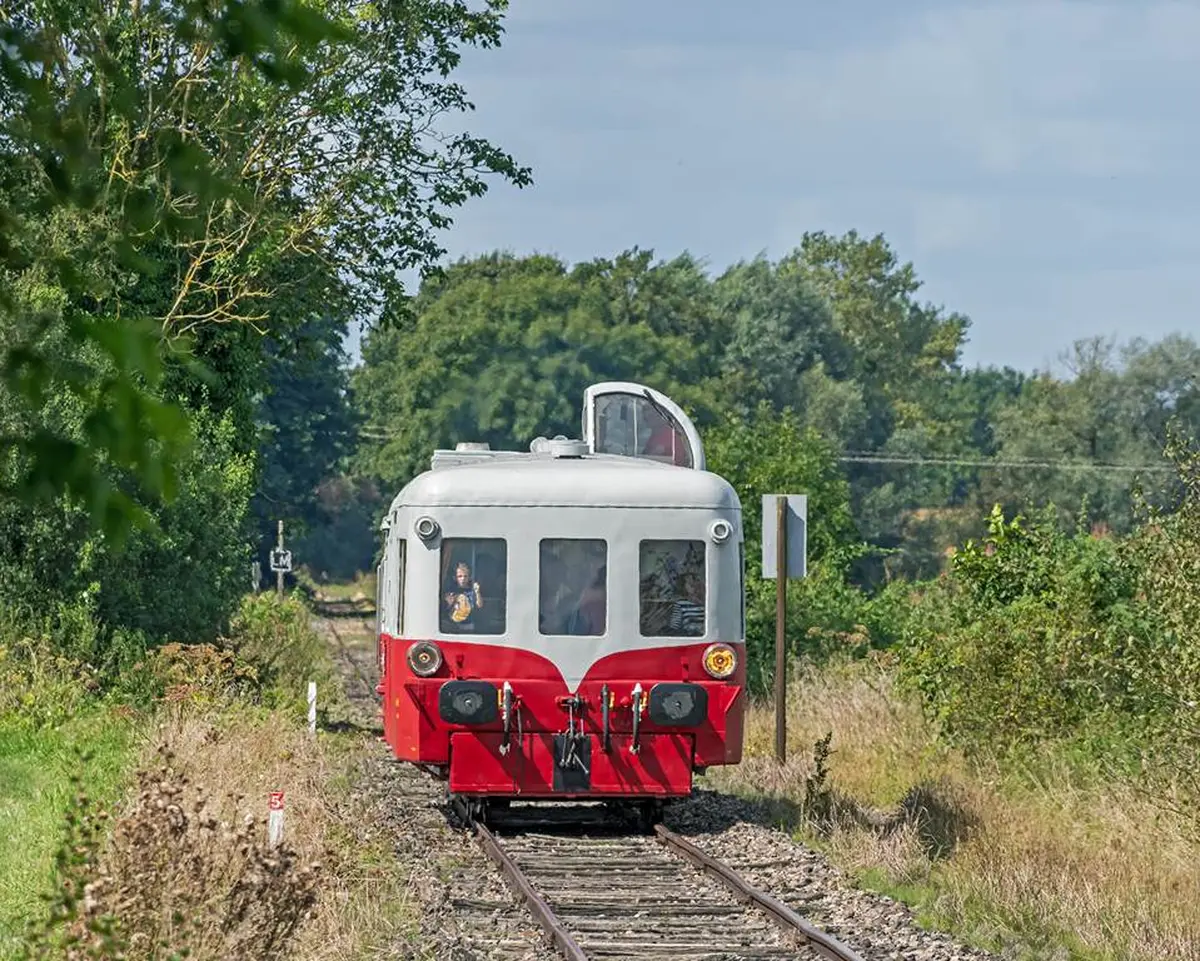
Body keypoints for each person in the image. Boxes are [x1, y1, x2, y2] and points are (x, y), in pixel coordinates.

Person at [443, 561, 483, 629]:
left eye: (465, 576)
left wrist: (477, 592)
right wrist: (450, 601)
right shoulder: (451, 590)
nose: (463, 579)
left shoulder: (472, 590)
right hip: (452, 624)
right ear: (454, 578)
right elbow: (446, 607)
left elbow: (479, 605)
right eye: (459, 576)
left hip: (469, 624)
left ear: (469, 577)